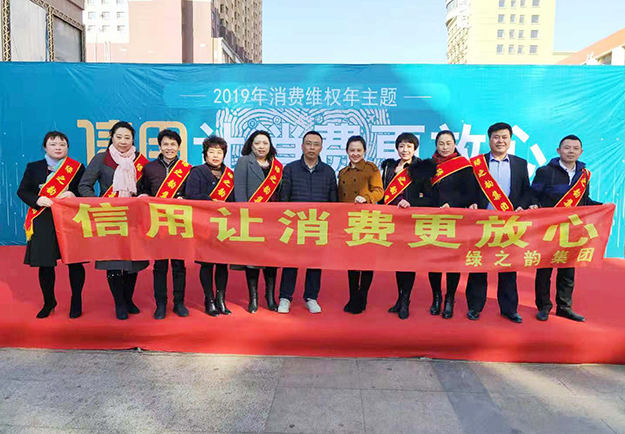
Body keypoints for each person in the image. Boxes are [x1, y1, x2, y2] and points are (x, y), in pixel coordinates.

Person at [466, 122, 537, 323]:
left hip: (509, 224)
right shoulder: (477, 164)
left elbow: (526, 190)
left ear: (510, 140)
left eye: (504, 137)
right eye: (496, 137)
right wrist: (471, 202)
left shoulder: (520, 164)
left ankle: (509, 309)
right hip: (482, 223)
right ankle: (475, 307)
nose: (500, 141)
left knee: (507, 267)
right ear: (489, 139)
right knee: (479, 267)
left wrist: (522, 206)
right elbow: (468, 190)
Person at [78, 121, 149, 320]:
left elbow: (146, 187)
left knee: (133, 262)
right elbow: (84, 186)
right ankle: (119, 303)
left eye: (127, 137)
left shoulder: (140, 161)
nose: (123, 141)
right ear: (111, 137)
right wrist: (98, 204)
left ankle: (128, 299)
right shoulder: (102, 158)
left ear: (133, 139)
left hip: (133, 219)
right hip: (109, 217)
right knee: (113, 262)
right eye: (119, 137)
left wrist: (143, 196)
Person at [531, 135, 601, 322]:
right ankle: (543, 306)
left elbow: (584, 201)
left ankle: (564, 307)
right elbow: (533, 194)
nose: (571, 151)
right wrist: (534, 205)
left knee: (568, 271)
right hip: (548, 229)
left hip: (572, 230)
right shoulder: (545, 172)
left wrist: (603, 207)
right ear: (558, 150)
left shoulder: (584, 175)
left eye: (575, 148)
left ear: (581, 152)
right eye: (567, 148)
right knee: (544, 271)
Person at [17, 131, 86, 319]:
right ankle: (49, 302)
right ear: (45, 147)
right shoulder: (34, 167)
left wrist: (73, 194)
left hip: (70, 219)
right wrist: (37, 200)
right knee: (46, 264)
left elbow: (84, 190)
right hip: (43, 218)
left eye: (62, 144)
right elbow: (23, 191)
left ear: (68, 148)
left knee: (75, 262)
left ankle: (76, 300)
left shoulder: (76, 168)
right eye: (53, 144)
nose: (58, 148)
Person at [411, 130, 476, 319]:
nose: (445, 147)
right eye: (441, 143)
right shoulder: (428, 166)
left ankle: (450, 298)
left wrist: (452, 204)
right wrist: (432, 205)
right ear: (436, 145)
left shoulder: (463, 166)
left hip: (455, 220)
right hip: (433, 219)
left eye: (448, 143)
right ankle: (436, 296)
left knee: (453, 262)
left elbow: (470, 194)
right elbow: (420, 192)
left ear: (455, 144)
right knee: (434, 261)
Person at [277, 131, 338, 314]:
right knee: (290, 263)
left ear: (321, 147)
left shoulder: (328, 171)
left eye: (316, 144)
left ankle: (311, 297)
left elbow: (333, 201)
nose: (312, 147)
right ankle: (285, 297)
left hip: (318, 225)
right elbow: (283, 198)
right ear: (302, 146)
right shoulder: (290, 169)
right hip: (295, 225)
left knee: (315, 263)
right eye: (308, 143)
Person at [139, 129, 191, 320]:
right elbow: (143, 190)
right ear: (160, 146)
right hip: (158, 223)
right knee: (160, 266)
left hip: (179, 223)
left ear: (179, 147)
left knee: (179, 265)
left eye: (173, 144)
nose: (169, 148)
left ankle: (179, 303)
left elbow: (192, 194)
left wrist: (184, 198)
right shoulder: (149, 168)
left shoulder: (187, 169)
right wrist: (143, 196)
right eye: (166, 144)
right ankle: (160, 304)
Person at [233, 131, 282, 313]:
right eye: (257, 143)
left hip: (273, 221)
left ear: (270, 145)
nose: (261, 146)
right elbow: (240, 191)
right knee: (251, 260)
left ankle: (270, 297)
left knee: (271, 260)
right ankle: (253, 298)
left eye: (265, 143)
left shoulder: (277, 166)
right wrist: (244, 216)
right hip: (251, 218)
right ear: (251, 145)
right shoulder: (244, 162)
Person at [185, 135, 234, 317]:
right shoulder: (197, 172)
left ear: (224, 155)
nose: (215, 156)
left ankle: (221, 300)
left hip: (223, 225)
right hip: (204, 224)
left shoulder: (230, 176)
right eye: (211, 152)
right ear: (205, 154)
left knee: (222, 264)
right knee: (207, 264)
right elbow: (190, 195)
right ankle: (209, 300)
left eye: (219, 152)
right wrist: (210, 201)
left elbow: (235, 201)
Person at [379, 132, 424, 319]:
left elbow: (428, 195)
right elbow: (383, 192)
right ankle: (399, 298)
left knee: (409, 261)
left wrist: (411, 203)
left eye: (409, 146)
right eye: (402, 146)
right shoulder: (389, 166)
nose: (405, 150)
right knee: (398, 261)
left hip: (411, 220)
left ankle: (406, 301)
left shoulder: (421, 167)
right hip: (393, 220)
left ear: (415, 148)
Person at [338, 135, 384, 314]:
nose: (355, 153)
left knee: (366, 261)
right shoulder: (342, 172)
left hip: (367, 221)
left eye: (359, 150)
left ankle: (363, 295)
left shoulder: (372, 169)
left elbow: (379, 192)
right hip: (348, 222)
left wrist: (366, 198)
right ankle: (353, 296)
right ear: (347, 151)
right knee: (351, 261)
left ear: (365, 151)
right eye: (352, 150)